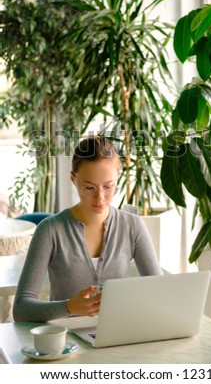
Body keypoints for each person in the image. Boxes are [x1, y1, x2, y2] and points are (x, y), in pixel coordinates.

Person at [13, 135, 162, 322]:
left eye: (108, 187)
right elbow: (21, 308)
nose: (100, 198)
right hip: (67, 342)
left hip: (120, 335)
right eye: (89, 188)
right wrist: (68, 307)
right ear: (73, 180)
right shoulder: (50, 230)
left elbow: (159, 291)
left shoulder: (133, 225)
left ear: (118, 178)